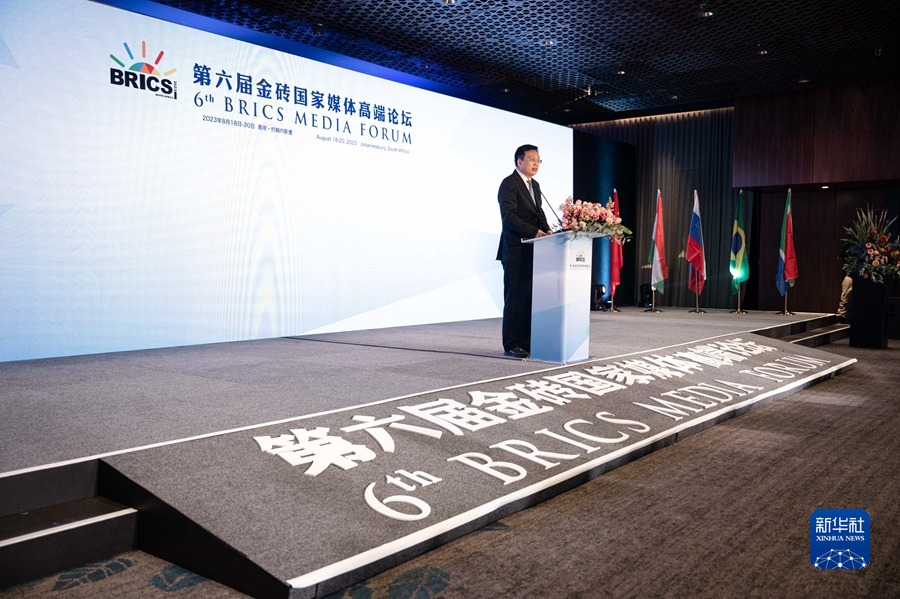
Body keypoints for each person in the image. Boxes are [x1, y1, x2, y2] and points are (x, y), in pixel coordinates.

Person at [496, 144, 552, 358]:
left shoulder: (534, 185)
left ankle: (527, 341)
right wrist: (534, 232)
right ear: (519, 161)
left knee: (529, 298)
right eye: (532, 159)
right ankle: (512, 343)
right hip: (515, 250)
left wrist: (547, 230)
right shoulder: (509, 184)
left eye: (538, 160)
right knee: (515, 298)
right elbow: (508, 217)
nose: (536, 163)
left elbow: (539, 213)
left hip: (533, 250)